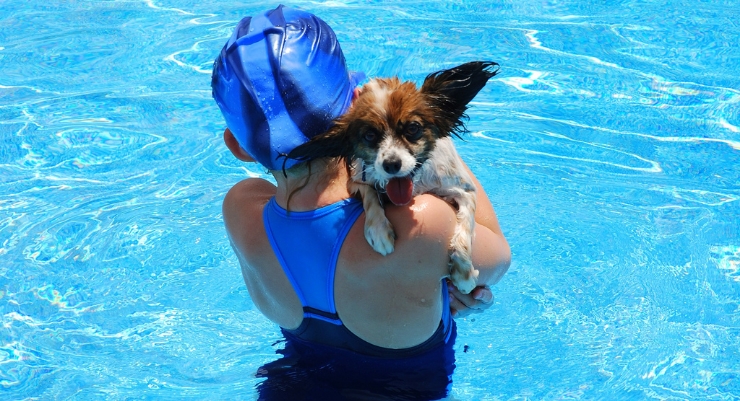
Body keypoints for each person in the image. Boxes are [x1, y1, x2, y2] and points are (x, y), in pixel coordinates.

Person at [212, 5, 511, 399]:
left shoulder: (240, 211)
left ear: (236, 146)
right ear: (356, 104)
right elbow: (498, 257)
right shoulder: (422, 226)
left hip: (288, 386)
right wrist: (434, 134)